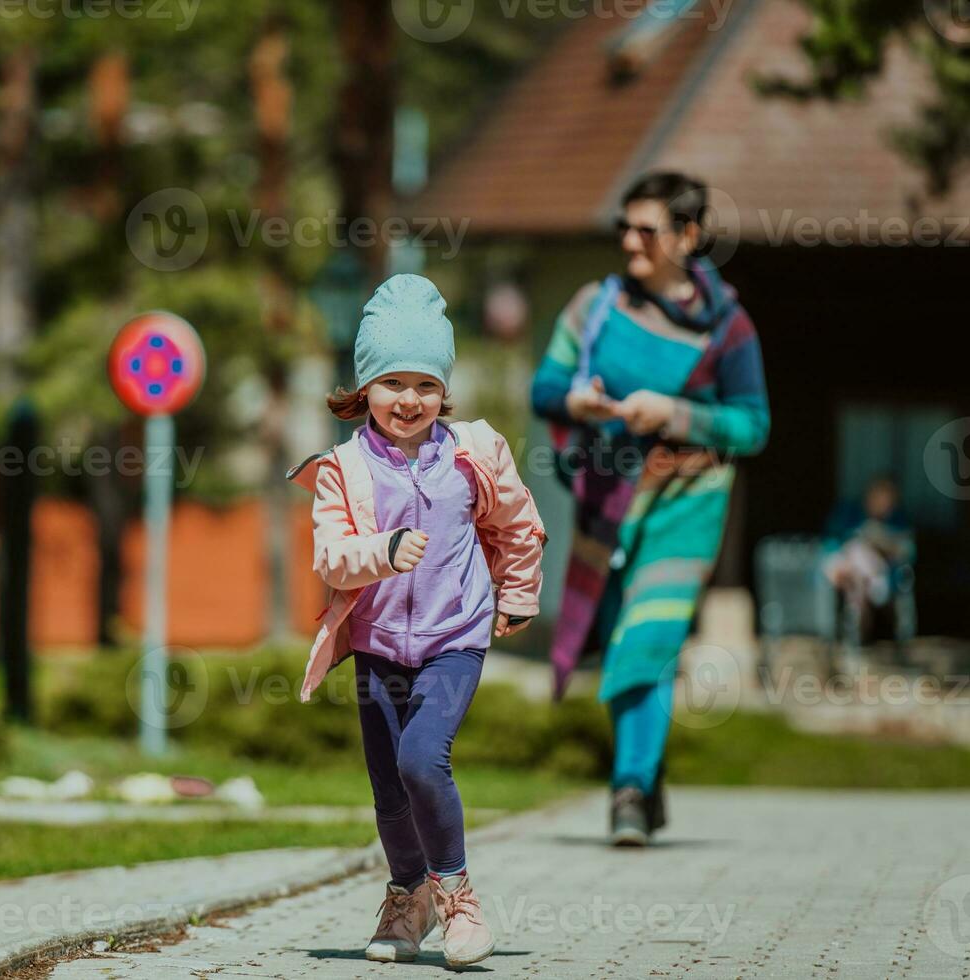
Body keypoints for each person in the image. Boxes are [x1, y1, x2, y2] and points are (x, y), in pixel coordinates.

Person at [286, 273, 546, 967]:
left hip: (453, 637)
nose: (409, 400)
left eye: (425, 385)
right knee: (387, 787)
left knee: (420, 760)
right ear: (364, 388)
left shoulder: (473, 454)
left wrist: (518, 593)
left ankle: (458, 900)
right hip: (376, 645)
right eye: (393, 383)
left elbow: (518, 525)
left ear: (444, 391)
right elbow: (332, 560)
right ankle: (407, 897)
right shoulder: (342, 469)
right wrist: (384, 552)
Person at [530, 172, 770, 846]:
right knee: (622, 640)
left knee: (648, 636)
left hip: (686, 503)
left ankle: (628, 789)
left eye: (647, 229)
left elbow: (752, 427)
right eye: (623, 228)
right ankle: (645, 773)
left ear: (688, 237)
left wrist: (674, 413)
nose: (629, 241)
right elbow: (545, 386)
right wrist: (575, 402)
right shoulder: (593, 306)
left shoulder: (728, 329)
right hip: (606, 500)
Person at [821, 476, 915, 655]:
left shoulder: (897, 520)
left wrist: (881, 541)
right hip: (848, 573)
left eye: (888, 500)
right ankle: (856, 637)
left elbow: (907, 551)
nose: (883, 503)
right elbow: (831, 544)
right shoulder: (849, 513)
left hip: (879, 577)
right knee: (856, 557)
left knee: (859, 579)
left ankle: (856, 638)